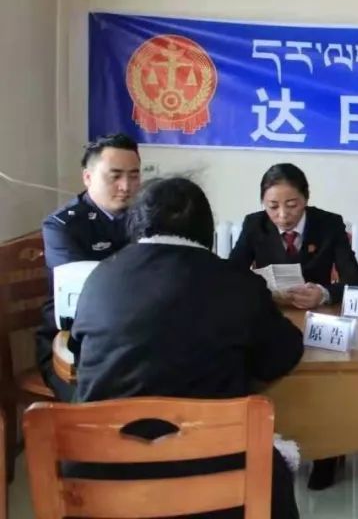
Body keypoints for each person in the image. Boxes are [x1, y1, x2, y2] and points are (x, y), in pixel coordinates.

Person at [70, 177, 304, 519]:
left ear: (137, 223)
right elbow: (282, 354)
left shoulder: (100, 278)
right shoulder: (237, 283)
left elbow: (80, 357)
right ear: (206, 229)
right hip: (214, 482)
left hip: (99, 479)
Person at [228, 162, 358, 490]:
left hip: (320, 317)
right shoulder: (254, 225)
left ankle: (328, 453)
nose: (282, 215)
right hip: (273, 316)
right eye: (272, 206)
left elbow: (355, 281)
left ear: (306, 199)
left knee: (326, 380)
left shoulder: (328, 224)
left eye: (291, 205)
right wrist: (266, 292)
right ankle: (275, 442)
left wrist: (323, 292)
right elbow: (232, 275)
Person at [37, 133, 141, 401]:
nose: (126, 186)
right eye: (115, 176)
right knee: (98, 404)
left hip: (133, 335)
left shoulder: (146, 218)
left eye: (134, 176)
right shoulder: (63, 226)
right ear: (88, 177)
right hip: (73, 338)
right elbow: (84, 297)